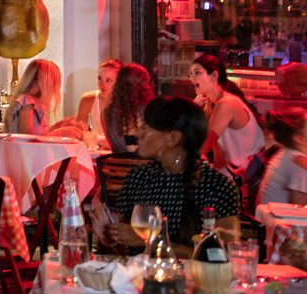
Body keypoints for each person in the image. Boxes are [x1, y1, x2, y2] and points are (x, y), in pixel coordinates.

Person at [92, 96, 241, 256]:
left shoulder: (217, 186)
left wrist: (149, 241)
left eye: (147, 127)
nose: (138, 133)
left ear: (173, 138)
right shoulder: (139, 177)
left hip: (193, 278)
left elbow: (223, 255)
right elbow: (120, 248)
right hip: (138, 277)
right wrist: (108, 237)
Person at [191, 53, 266, 172]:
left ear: (214, 75)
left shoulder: (226, 104)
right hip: (233, 175)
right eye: (191, 74)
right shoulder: (211, 104)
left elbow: (203, 146)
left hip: (244, 176)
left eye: (197, 72)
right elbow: (219, 158)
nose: (191, 78)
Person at [103, 63, 155, 154]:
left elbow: (113, 145)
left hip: (117, 165)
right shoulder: (149, 110)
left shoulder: (107, 113)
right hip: (144, 165)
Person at [259, 110, 307, 206]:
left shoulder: (286, 153)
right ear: (300, 139)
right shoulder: (300, 164)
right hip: (280, 219)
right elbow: (299, 210)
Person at [77, 58, 123, 149]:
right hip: (91, 155)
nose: (102, 84)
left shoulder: (125, 103)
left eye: (108, 80)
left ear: (119, 82)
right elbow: (78, 133)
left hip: (116, 156)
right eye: (100, 79)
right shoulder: (88, 100)